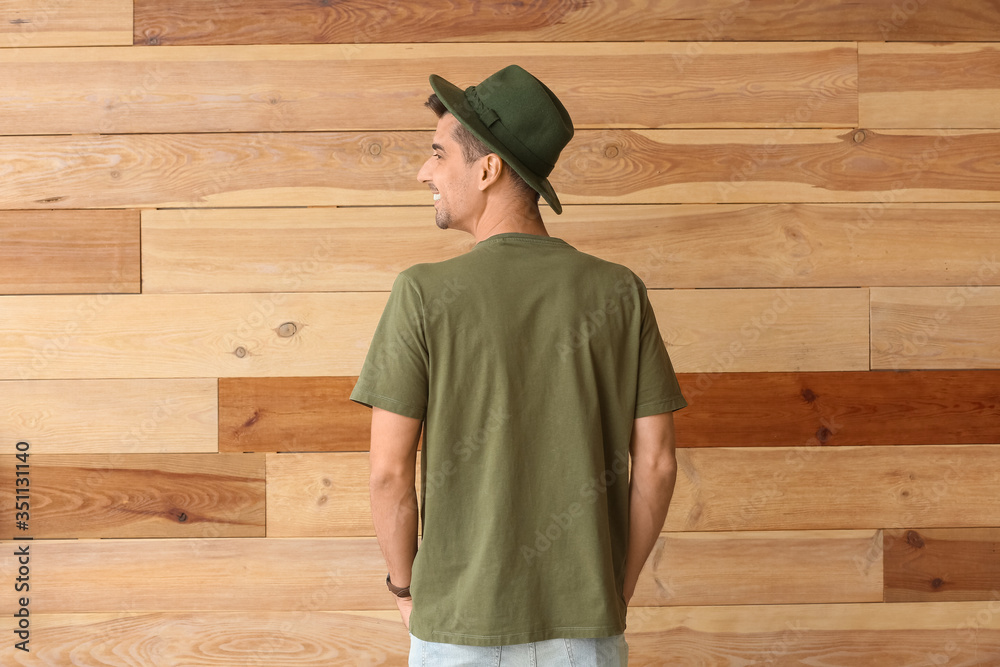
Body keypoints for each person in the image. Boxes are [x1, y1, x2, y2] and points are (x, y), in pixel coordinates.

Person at [350, 64, 686, 666]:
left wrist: (404, 590)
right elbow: (657, 465)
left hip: (458, 627)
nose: (424, 171)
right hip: (585, 629)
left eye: (437, 153)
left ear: (488, 168)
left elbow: (389, 474)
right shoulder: (619, 292)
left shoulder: (423, 294)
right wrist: (615, 591)